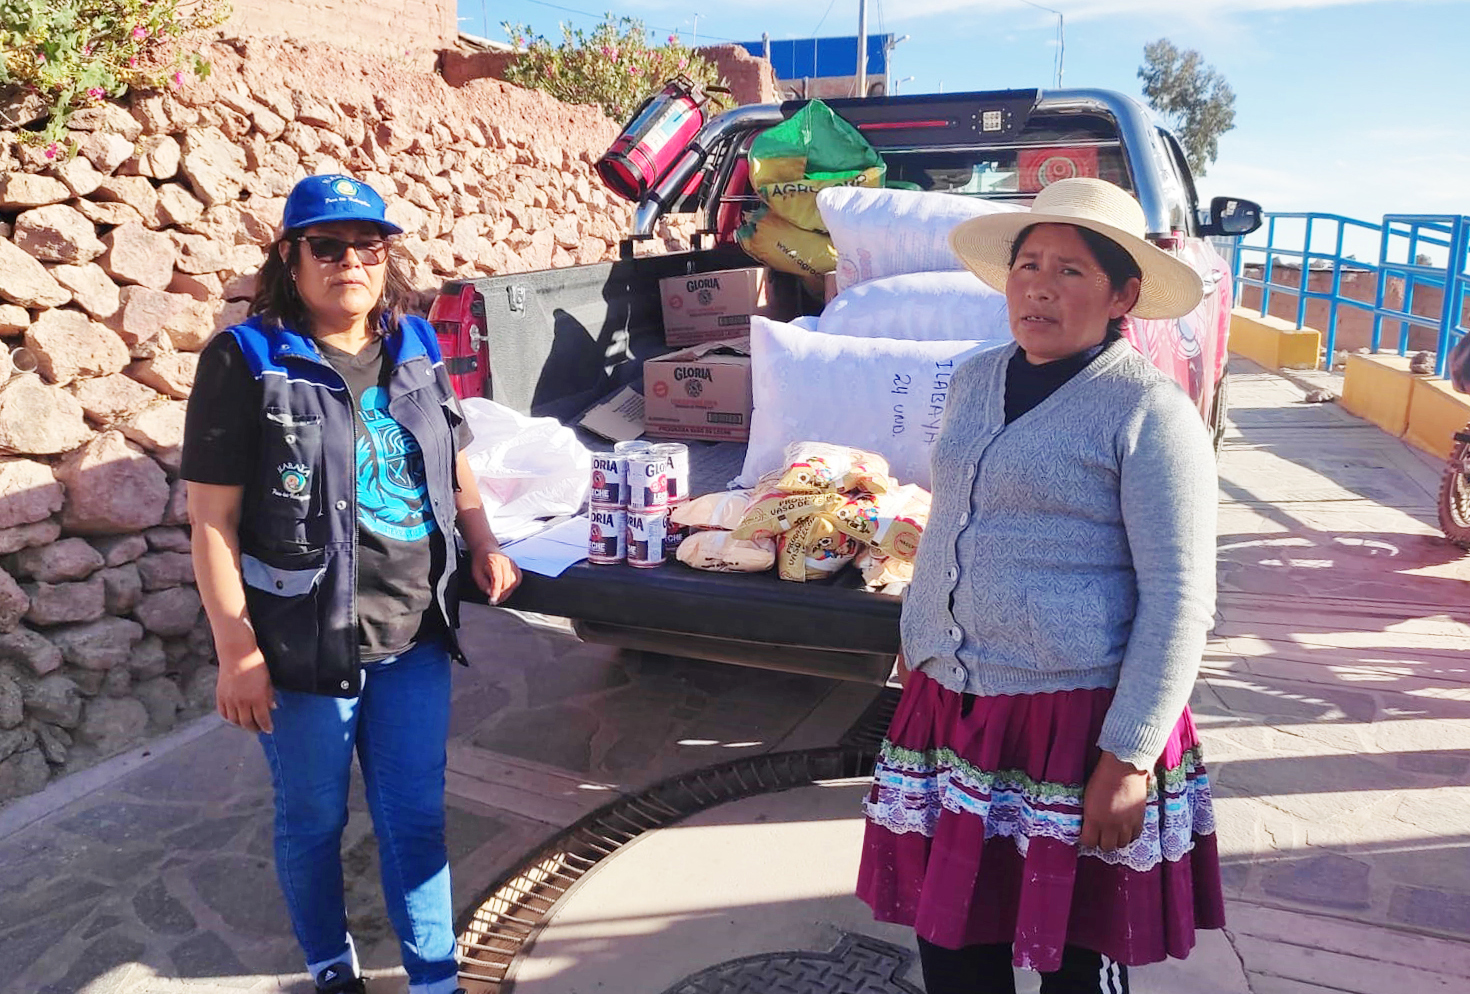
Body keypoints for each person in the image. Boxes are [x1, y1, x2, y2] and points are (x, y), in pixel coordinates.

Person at [856, 177, 1224, 994]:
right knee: (952, 942)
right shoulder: (978, 379)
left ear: (1123, 293)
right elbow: (955, 517)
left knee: (1074, 964)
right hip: (956, 713)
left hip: (1074, 724)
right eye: (1028, 264)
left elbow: (1180, 597)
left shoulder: (1149, 412)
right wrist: (920, 648)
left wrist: (1127, 757)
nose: (1039, 288)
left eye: (1070, 271)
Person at [183, 174, 521, 994]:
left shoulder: (414, 344)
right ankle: (332, 967)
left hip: (413, 636)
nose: (349, 261)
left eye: (366, 245)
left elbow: (454, 455)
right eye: (325, 246)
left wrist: (483, 540)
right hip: (303, 646)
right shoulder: (248, 359)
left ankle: (434, 977)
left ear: (385, 259)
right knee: (315, 820)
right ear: (290, 261)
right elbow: (211, 523)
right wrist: (238, 651)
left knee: (415, 816)